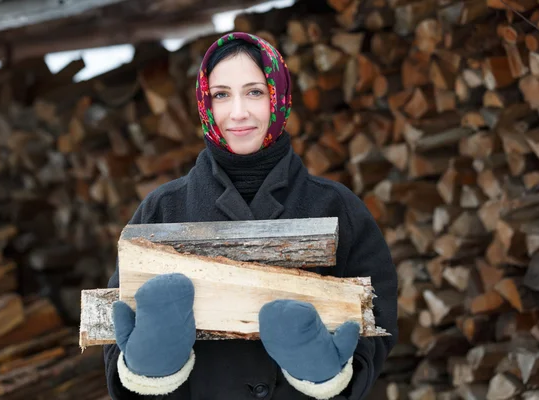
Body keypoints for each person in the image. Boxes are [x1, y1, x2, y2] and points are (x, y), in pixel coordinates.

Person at [103, 32, 398, 400]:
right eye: (222, 94)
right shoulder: (160, 210)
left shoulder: (338, 208)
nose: (238, 112)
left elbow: (378, 322)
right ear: (204, 103)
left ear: (280, 97)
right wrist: (152, 367)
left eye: (255, 92)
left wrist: (324, 372)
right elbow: (117, 334)